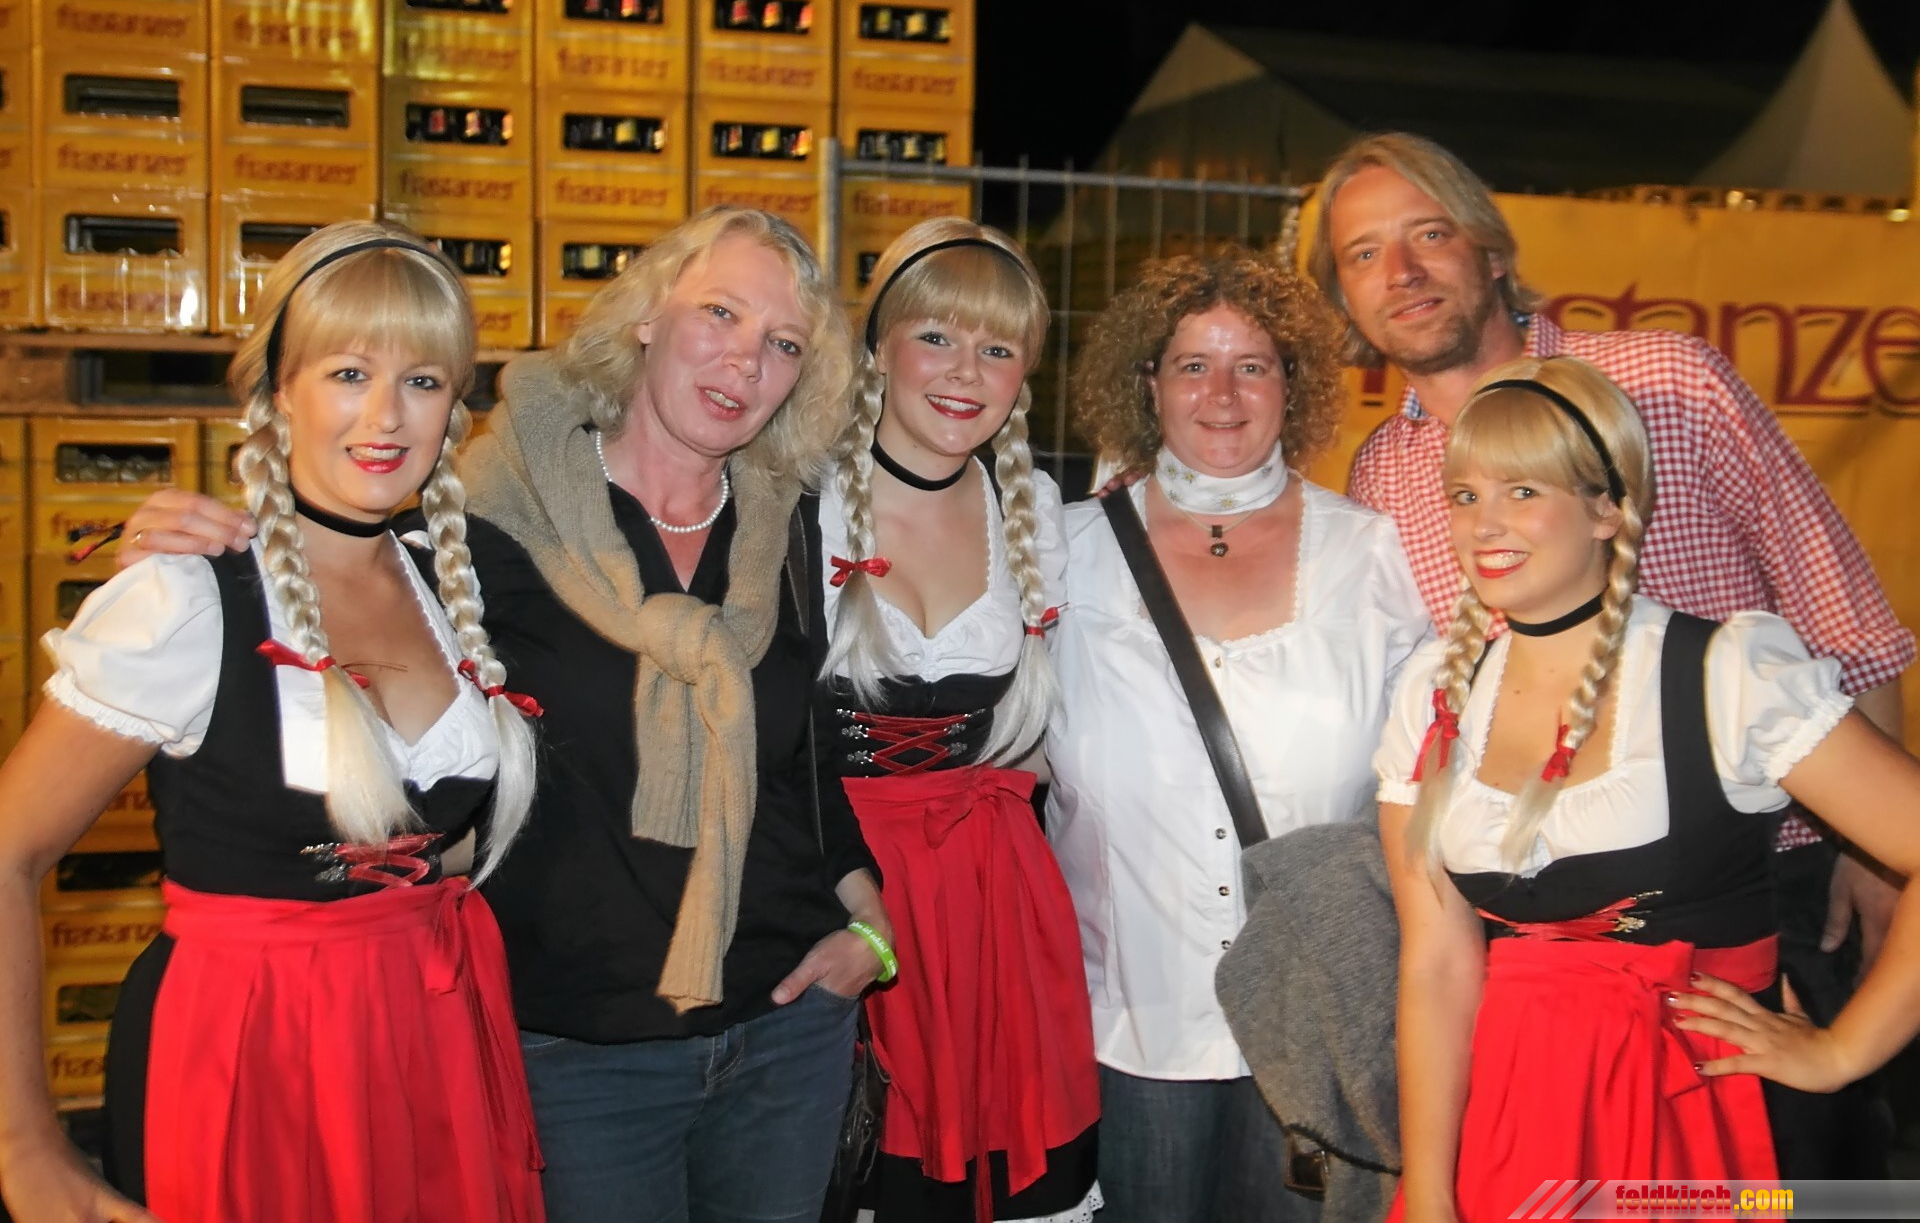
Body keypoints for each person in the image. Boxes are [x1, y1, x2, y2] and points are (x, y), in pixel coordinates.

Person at [117, 206, 893, 1223]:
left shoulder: (791, 527)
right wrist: (201, 540)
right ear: (647, 316)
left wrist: (871, 929)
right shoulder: (486, 516)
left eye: (784, 343)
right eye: (720, 313)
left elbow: (807, 761)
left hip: (787, 1027)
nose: (746, 360)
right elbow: (336, 559)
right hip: (574, 1046)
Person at [1313, 131, 1914, 1174]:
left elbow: (1840, 609)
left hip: (1767, 884)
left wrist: (1872, 853)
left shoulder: (1666, 379)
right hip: (1533, 939)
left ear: (1491, 249)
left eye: (1428, 234)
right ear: (1343, 296)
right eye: (1364, 254)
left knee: (1791, 1175)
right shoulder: (1382, 471)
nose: (1400, 271)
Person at [0, 222, 544, 1223]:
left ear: (456, 410)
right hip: (251, 1055)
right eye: (349, 373)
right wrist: (24, 1149)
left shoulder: (460, 585)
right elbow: (7, 850)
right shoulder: (184, 598)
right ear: (278, 392)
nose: (385, 416)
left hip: (433, 1041)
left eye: (423, 381)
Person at [1376, 355, 1920, 1222]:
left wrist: (1842, 1052)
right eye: (1465, 495)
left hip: (1706, 1124)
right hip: (1515, 1121)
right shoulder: (1433, 693)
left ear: (1610, 509)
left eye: (1523, 491)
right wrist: (1433, 1192)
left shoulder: (1727, 675)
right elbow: (1437, 965)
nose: (1485, 524)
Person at [1045, 249, 1430, 1222]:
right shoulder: (1063, 552)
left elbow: (1429, 787)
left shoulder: (1372, 554)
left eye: (1252, 365)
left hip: (1314, 1023)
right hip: (1123, 1027)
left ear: (1291, 384)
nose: (1222, 394)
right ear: (1148, 383)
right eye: (1193, 364)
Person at [819, 218, 1100, 1222]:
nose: (964, 373)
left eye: (997, 348)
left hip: (994, 894)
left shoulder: (1033, 509)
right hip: (836, 879)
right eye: (936, 336)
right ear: (879, 346)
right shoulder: (801, 500)